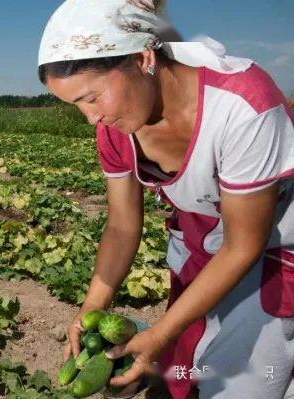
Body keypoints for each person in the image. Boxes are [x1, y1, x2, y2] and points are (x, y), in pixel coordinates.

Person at [38, 1, 294, 398]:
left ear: (143, 58)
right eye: (77, 106)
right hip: (201, 241)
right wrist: (93, 305)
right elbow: (122, 225)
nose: (91, 118)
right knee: (187, 362)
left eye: (92, 97)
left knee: (239, 380)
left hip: (268, 250)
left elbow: (243, 244)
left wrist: (159, 333)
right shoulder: (116, 130)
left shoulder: (242, 106)